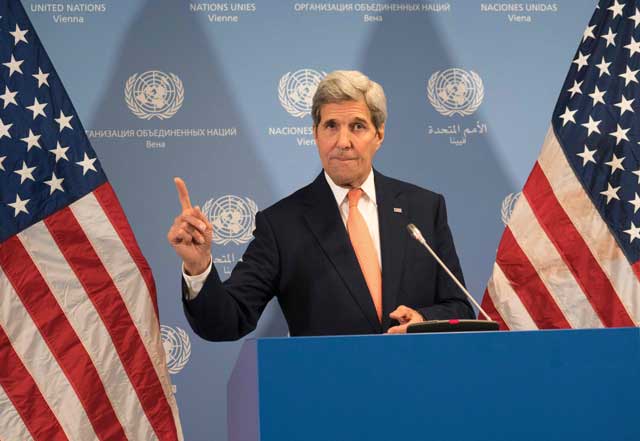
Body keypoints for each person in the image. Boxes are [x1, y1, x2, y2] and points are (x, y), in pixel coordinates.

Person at [167, 70, 474, 341]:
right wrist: (198, 267)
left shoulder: (423, 208)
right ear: (315, 134)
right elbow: (228, 321)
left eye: (357, 126)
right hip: (328, 395)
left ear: (378, 135)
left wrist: (422, 320)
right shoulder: (282, 224)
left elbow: (459, 307)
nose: (343, 141)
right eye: (330, 126)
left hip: (418, 389)